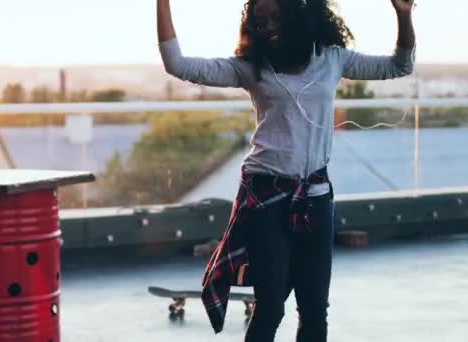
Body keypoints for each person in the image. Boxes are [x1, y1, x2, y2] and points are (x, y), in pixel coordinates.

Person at [156, 0, 416, 341]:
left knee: (314, 309)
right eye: (261, 20)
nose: (269, 27)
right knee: (271, 307)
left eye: (276, 17)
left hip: (315, 197)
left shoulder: (331, 58)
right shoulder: (252, 67)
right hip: (265, 197)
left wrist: (403, 14)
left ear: (299, 13)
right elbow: (177, 64)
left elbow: (400, 66)